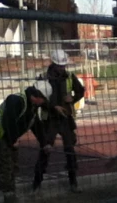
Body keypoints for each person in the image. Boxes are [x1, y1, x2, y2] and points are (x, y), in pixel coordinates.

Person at [0, 81, 52, 203]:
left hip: (9, 136)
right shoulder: (16, 101)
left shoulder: (32, 106)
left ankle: (11, 192)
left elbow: (35, 125)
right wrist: (12, 140)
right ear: (35, 97)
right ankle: (9, 196)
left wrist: (45, 144)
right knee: (4, 164)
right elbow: (8, 122)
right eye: (43, 99)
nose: (44, 103)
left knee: (13, 164)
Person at [33, 49, 85, 193]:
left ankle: (73, 183)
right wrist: (53, 107)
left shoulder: (69, 77)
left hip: (65, 119)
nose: (62, 68)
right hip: (50, 120)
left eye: (64, 66)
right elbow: (37, 98)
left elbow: (81, 91)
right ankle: (36, 184)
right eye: (59, 66)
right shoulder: (43, 78)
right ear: (53, 64)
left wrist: (73, 99)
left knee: (70, 150)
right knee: (45, 151)